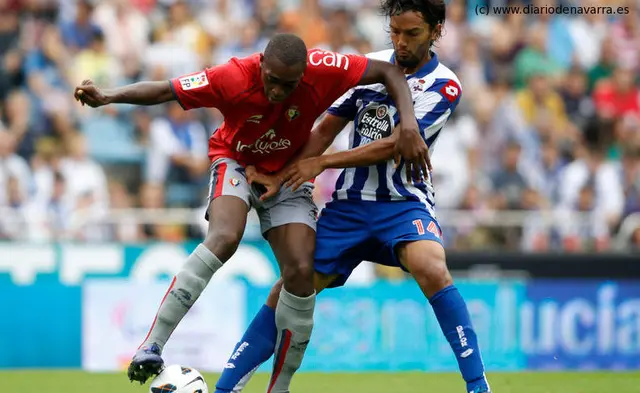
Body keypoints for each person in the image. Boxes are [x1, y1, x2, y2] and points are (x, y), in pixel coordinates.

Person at [73, 32, 427, 391]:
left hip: (286, 173)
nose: (277, 91)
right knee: (225, 237)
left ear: (304, 73)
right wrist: (109, 96)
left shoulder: (326, 68)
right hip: (236, 162)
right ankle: (152, 344)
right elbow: (166, 89)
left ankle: (280, 387)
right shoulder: (231, 76)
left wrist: (409, 122)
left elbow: (390, 73)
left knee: (302, 274)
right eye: (272, 81)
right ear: (261, 65)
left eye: (288, 85)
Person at [211, 1, 492, 393]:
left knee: (432, 267)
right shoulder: (368, 67)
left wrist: (323, 164)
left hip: (402, 203)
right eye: (395, 31)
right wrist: (282, 173)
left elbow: (398, 145)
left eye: (412, 33)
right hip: (349, 208)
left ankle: (478, 386)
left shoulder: (445, 84)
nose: (401, 41)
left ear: (437, 31)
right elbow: (326, 129)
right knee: (291, 287)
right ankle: (226, 387)